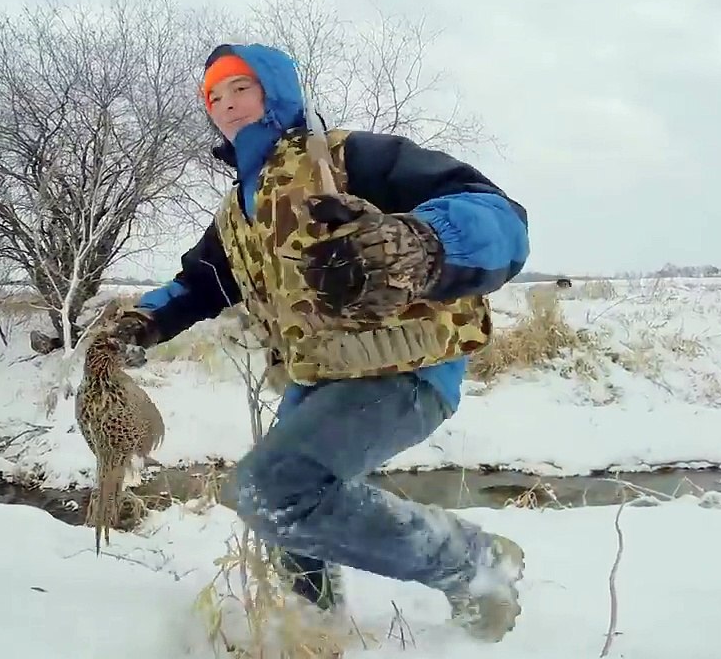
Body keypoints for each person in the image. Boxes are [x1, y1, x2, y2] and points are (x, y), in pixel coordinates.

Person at [107, 42, 531, 643]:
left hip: (406, 370)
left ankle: (475, 563)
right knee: (282, 514)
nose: (226, 104)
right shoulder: (239, 211)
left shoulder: (350, 159)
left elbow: (499, 217)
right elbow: (200, 284)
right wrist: (140, 321)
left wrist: (419, 242)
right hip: (317, 380)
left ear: (275, 92)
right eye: (214, 97)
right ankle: (312, 628)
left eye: (240, 88)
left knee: (273, 489)